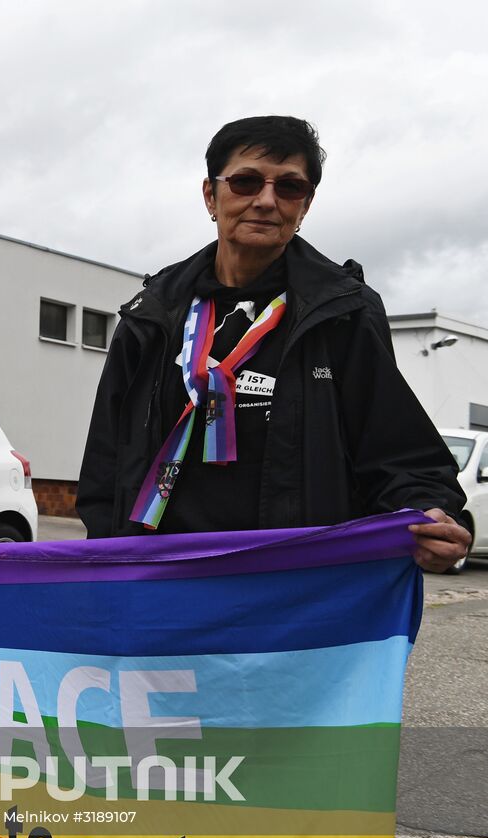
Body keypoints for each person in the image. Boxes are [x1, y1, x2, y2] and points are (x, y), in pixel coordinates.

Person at [77, 115, 469, 572]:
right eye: (245, 182)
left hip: (293, 588)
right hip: (163, 582)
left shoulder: (345, 313)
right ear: (211, 194)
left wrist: (430, 512)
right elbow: (105, 464)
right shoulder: (151, 315)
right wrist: (105, 567)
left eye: (288, 187)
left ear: (305, 205)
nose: (265, 200)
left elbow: (398, 450)